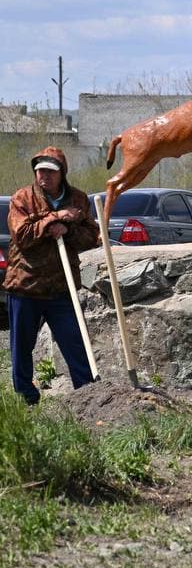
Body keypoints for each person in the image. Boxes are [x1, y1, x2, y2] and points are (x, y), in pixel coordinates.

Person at [5, 147, 100, 405]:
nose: (43, 176)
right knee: (22, 349)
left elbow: (92, 237)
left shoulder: (79, 199)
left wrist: (68, 231)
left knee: (75, 343)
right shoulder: (22, 198)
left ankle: (88, 397)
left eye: (49, 171)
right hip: (26, 286)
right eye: (39, 171)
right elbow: (22, 236)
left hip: (61, 287)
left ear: (61, 174)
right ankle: (27, 400)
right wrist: (53, 219)